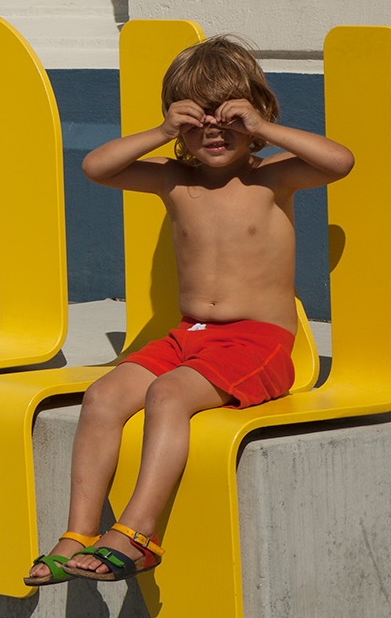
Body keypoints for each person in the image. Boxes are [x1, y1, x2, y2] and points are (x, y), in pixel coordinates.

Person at [24, 35, 353, 586]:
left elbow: (339, 161)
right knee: (102, 395)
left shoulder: (272, 178)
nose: (214, 132)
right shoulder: (176, 180)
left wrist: (263, 130)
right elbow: (96, 168)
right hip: (188, 337)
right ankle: (77, 532)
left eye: (230, 120)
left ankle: (137, 533)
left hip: (258, 344)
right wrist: (159, 133)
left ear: (255, 116)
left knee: (167, 394)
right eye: (198, 122)